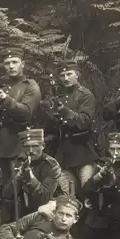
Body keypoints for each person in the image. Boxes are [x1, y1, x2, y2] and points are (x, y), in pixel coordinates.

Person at [39, 60, 98, 193]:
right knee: (68, 195)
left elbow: (84, 122)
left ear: (77, 75)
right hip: (63, 155)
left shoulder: (85, 95)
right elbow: (51, 127)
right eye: (62, 75)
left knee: (87, 192)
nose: (66, 78)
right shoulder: (59, 96)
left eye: (69, 74)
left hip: (83, 152)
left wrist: (64, 111)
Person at [0, 47, 42, 184]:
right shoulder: (3, 88)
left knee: (19, 189)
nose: (11, 66)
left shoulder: (30, 86)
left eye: (14, 62)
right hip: (0, 147)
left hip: (19, 147)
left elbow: (26, 112)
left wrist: (5, 100)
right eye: (7, 63)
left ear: (22, 64)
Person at [1, 129, 64, 222]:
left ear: (43, 146)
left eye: (35, 146)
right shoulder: (18, 162)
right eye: (27, 147)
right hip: (24, 206)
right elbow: (6, 194)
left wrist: (31, 178)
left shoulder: (51, 165)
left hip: (48, 204)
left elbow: (44, 198)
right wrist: (18, 177)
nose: (30, 151)